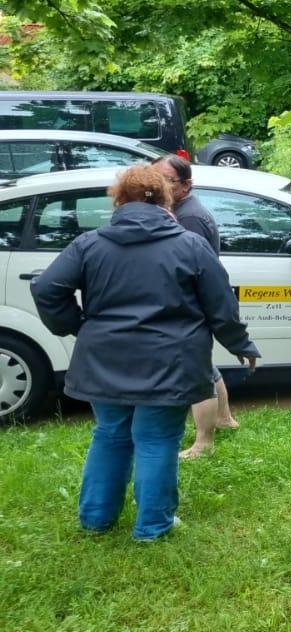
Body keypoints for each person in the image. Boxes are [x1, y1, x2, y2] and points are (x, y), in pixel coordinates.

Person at [30, 164, 258, 541]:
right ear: (166, 199)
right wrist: (240, 344)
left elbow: (47, 289)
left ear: (118, 199)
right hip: (171, 361)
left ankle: (95, 521)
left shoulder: (89, 244)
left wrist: (78, 326)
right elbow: (222, 306)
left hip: (105, 359)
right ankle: (153, 525)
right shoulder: (191, 245)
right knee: (156, 439)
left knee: (110, 434)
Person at [151, 153, 236, 458]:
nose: (156, 184)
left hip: (188, 304)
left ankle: (204, 442)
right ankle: (224, 419)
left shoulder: (187, 218)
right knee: (205, 366)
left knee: (196, 372)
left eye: (165, 179)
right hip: (191, 304)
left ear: (186, 185)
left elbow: (190, 267)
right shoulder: (177, 209)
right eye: (153, 177)